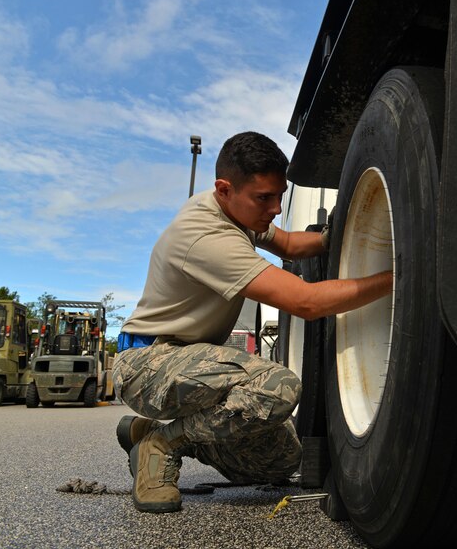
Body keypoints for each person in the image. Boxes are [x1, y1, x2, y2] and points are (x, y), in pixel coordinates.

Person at [112, 130, 392, 514]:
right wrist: (399, 275)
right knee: (278, 386)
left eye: (280, 196)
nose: (275, 208)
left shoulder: (236, 210)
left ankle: (157, 432)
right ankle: (161, 446)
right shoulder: (207, 237)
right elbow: (306, 302)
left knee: (279, 461)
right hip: (147, 361)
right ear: (224, 189)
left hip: (188, 358)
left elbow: (291, 245)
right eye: (265, 198)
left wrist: (336, 236)